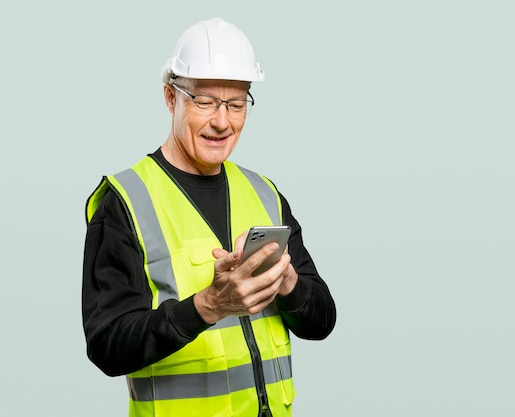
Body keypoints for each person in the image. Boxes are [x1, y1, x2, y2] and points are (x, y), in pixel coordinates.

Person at [82, 17, 336, 417]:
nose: (222, 122)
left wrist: (289, 283)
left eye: (236, 104)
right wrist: (207, 307)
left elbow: (321, 322)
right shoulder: (125, 202)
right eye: (205, 102)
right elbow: (107, 346)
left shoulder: (265, 194)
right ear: (171, 97)